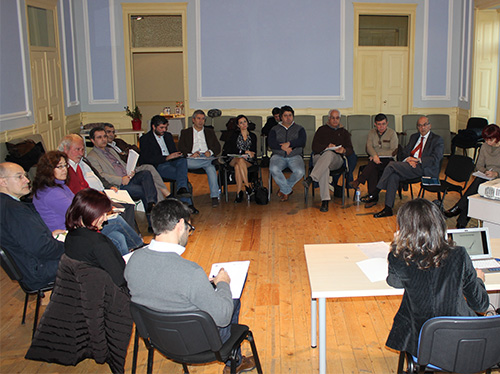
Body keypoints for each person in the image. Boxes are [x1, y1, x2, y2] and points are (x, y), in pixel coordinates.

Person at [125, 199, 255, 373]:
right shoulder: (191, 272)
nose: (189, 233)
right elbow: (223, 317)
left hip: (159, 339)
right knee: (231, 300)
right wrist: (223, 283)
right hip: (198, 344)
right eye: (189, 228)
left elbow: (160, 286)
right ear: (180, 224)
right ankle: (235, 361)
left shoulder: (133, 260)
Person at [385, 198, 489, 357]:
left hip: (420, 341)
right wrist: (479, 280)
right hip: (460, 341)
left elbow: (395, 282)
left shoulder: (399, 256)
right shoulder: (459, 254)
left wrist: (398, 245)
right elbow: (481, 305)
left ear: (404, 228)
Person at [31, 151, 143, 255]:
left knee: (118, 237)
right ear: (48, 169)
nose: (64, 169)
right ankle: (139, 248)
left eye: (65, 165)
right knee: (116, 220)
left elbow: (78, 204)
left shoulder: (59, 186)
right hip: (69, 233)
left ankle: (126, 266)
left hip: (77, 226)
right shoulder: (51, 193)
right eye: (60, 166)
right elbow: (77, 213)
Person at [0, 162, 64, 290]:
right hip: (38, 270)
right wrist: (70, 246)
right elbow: (41, 249)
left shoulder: (6, 204)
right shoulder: (14, 210)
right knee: (91, 256)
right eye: (19, 177)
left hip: (30, 265)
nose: (27, 180)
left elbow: (24, 240)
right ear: (3, 182)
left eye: (25, 175)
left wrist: (50, 236)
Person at [58, 134, 137, 230]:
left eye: (82, 150)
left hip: (99, 194)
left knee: (128, 205)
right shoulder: (66, 170)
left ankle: (133, 237)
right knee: (122, 211)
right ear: (66, 149)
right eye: (77, 149)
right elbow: (79, 194)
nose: (81, 153)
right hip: (90, 203)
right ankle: (133, 240)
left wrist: (107, 190)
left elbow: (94, 180)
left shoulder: (80, 164)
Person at [372, 116, 444, 218]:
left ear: (429, 125)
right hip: (410, 165)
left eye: (425, 125)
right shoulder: (414, 137)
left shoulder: (437, 139)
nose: (422, 128)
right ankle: (388, 209)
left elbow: (436, 158)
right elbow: (405, 152)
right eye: (419, 125)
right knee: (393, 176)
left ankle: (376, 191)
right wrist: (408, 159)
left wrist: (418, 160)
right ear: (417, 127)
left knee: (391, 165)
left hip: (424, 168)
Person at [64, 188, 127, 288]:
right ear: (90, 213)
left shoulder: (70, 236)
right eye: (103, 214)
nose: (105, 218)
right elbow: (120, 280)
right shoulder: (98, 243)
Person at [87, 127, 157, 214]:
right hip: (117, 185)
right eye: (99, 137)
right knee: (145, 190)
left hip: (128, 177)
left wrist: (132, 171)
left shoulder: (111, 150)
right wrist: (121, 180)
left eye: (104, 136)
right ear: (93, 140)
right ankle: (152, 214)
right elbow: (101, 175)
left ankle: (151, 203)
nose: (103, 139)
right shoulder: (92, 156)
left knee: (146, 173)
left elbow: (122, 165)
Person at [444, 124, 500, 228]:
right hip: (487, 177)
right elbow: (479, 165)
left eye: (490, 140)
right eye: (486, 139)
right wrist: (486, 171)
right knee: (475, 192)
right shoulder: (484, 146)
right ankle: (461, 222)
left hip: (498, 180)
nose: (488, 142)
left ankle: (458, 209)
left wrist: (496, 174)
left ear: (497, 138)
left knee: (477, 185)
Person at [139, 115, 198, 214]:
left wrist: (176, 155)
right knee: (182, 176)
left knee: (183, 161)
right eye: (161, 128)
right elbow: (147, 159)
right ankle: (187, 202)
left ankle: (181, 196)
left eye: (165, 127)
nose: (164, 130)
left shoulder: (168, 136)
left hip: (172, 161)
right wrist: (166, 158)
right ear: (153, 127)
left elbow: (173, 151)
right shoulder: (145, 139)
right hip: (159, 165)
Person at [303, 109, 355, 212]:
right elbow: (314, 147)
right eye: (333, 118)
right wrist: (326, 146)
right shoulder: (321, 130)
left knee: (330, 154)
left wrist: (343, 150)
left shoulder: (344, 132)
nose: (335, 120)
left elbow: (350, 150)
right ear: (329, 118)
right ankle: (325, 201)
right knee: (325, 168)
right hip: (320, 157)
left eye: (337, 118)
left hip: (336, 160)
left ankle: (312, 178)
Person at [103, 122, 170, 201]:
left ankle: (164, 198)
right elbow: (120, 160)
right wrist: (126, 153)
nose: (111, 134)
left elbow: (134, 148)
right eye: (108, 132)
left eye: (113, 132)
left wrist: (126, 152)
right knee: (149, 172)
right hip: (125, 171)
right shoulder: (106, 148)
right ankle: (167, 196)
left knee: (150, 169)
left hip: (133, 166)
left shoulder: (118, 142)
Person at [349, 113, 398, 208]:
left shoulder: (392, 133)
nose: (381, 127)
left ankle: (360, 182)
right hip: (376, 160)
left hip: (389, 160)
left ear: (387, 123)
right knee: (373, 169)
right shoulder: (371, 133)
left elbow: (393, 151)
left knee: (372, 165)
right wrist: (374, 155)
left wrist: (376, 155)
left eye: (383, 124)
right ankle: (372, 197)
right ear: (375, 124)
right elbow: (369, 147)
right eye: (379, 124)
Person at [178, 110, 221, 207]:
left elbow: (217, 147)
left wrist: (210, 152)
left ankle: (214, 197)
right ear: (193, 120)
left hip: (206, 157)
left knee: (211, 169)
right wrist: (190, 154)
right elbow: (181, 148)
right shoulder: (185, 132)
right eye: (198, 118)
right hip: (192, 159)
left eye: (203, 119)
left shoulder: (209, 132)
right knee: (184, 163)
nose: (201, 121)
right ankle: (209, 162)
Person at [268, 105, 306, 202]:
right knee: (273, 168)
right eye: (285, 115)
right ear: (281, 117)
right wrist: (282, 147)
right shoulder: (274, 129)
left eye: (290, 115)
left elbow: (302, 141)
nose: (288, 118)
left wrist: (289, 144)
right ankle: (287, 190)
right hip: (278, 155)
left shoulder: (299, 128)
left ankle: (284, 189)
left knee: (300, 171)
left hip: (295, 155)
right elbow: (271, 143)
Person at [222, 115, 258, 203]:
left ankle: (239, 193)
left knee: (238, 166)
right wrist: (243, 152)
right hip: (233, 158)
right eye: (241, 123)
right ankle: (247, 186)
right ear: (238, 125)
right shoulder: (234, 135)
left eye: (245, 122)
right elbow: (230, 150)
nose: (243, 124)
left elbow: (254, 151)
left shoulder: (253, 136)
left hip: (247, 160)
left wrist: (250, 153)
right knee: (239, 160)